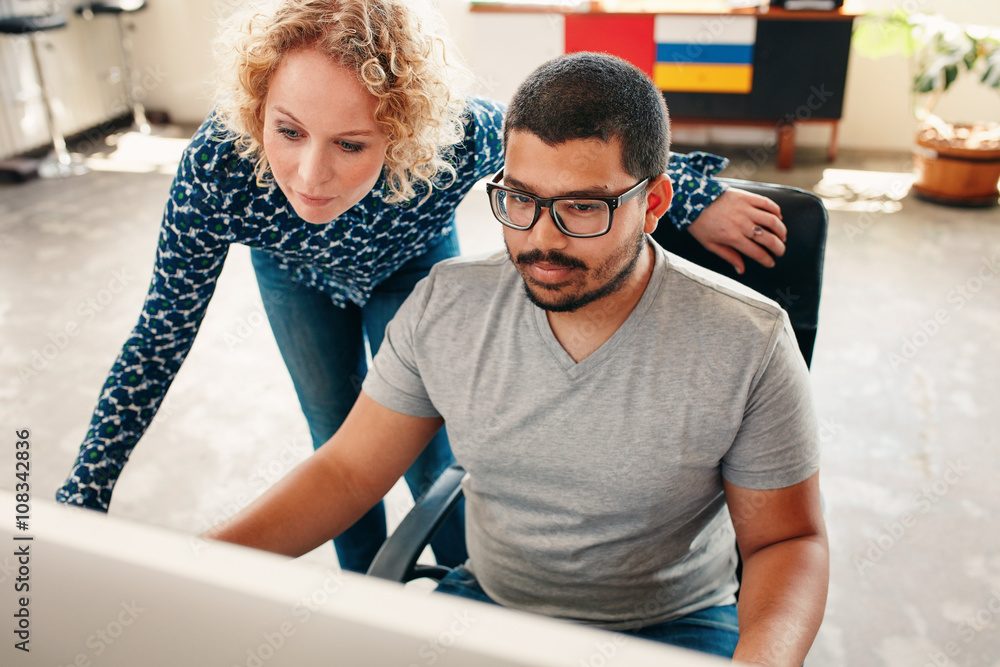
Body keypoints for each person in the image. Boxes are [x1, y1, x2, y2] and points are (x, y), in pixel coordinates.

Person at [55, 0, 786, 575]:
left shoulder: (459, 135)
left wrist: (689, 194)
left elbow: (572, 150)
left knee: (439, 444)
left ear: (404, 133)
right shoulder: (216, 167)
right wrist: (83, 491)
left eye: (351, 144)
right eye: (288, 131)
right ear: (256, 111)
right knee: (336, 441)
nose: (310, 176)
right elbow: (158, 339)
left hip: (408, 265)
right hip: (297, 278)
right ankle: (360, 590)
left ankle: (469, 594)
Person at [205, 52, 828, 664]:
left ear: (655, 204)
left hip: (673, 626)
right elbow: (346, 474)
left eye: (584, 206)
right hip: (488, 611)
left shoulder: (749, 341)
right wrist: (194, 566)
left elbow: (787, 539)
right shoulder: (445, 307)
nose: (542, 240)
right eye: (522, 198)